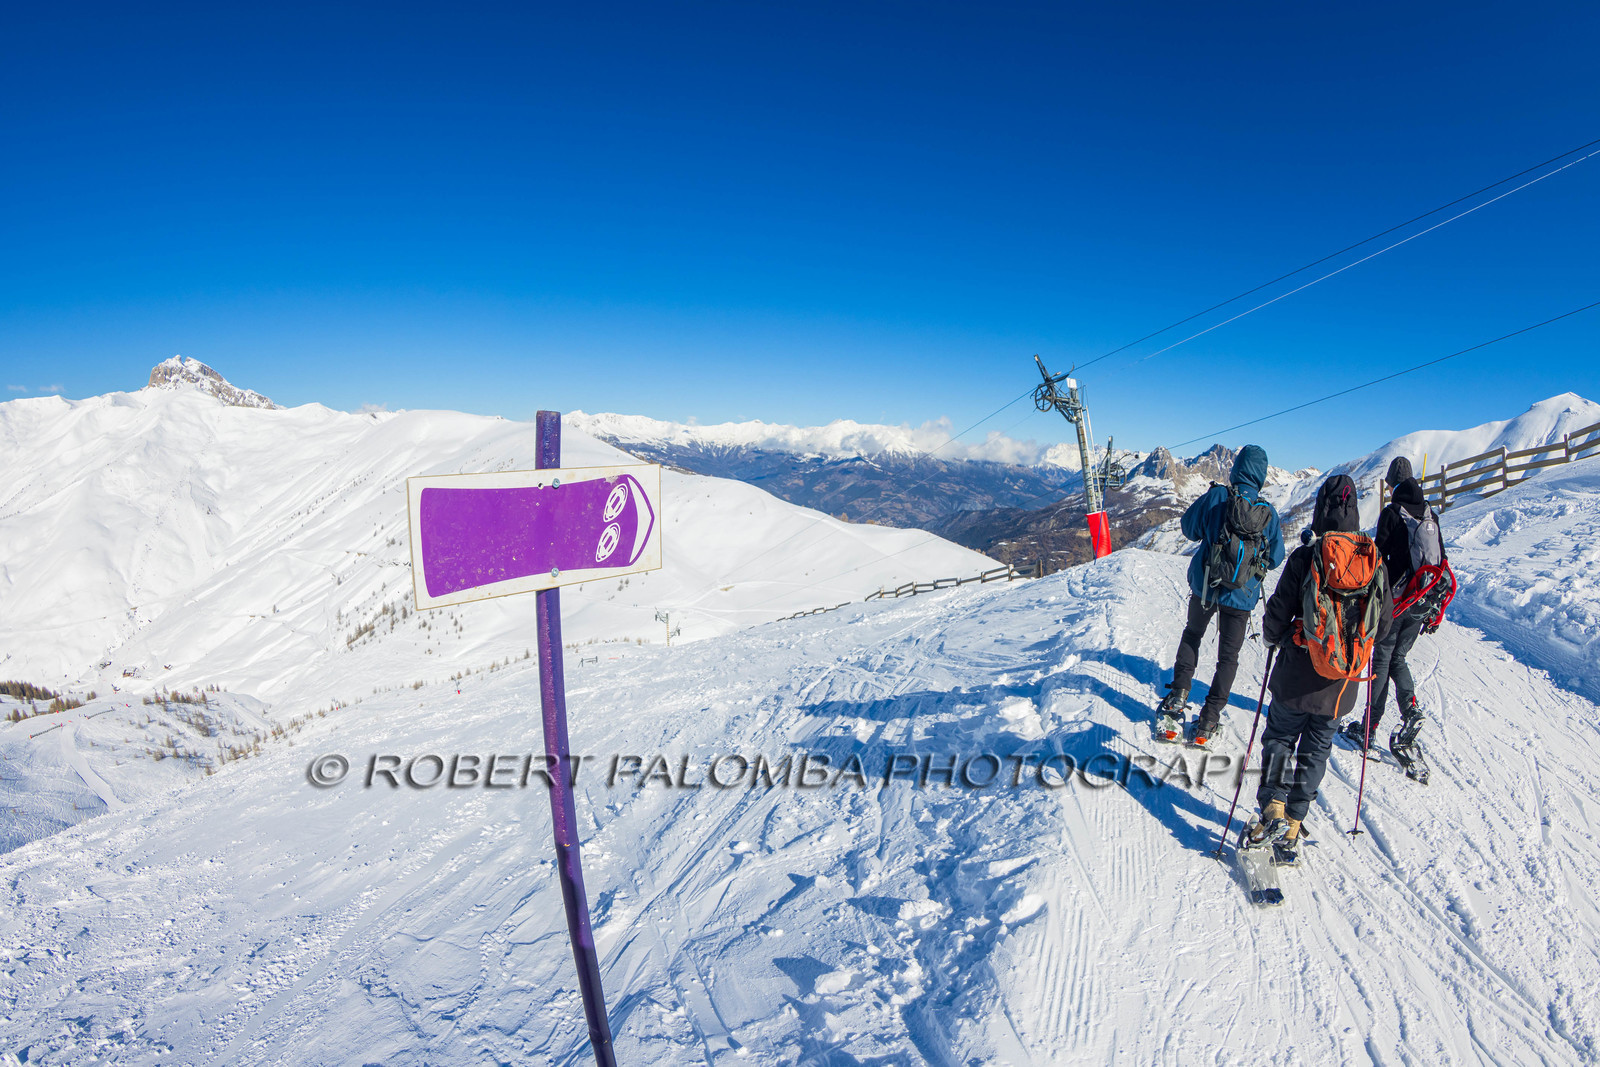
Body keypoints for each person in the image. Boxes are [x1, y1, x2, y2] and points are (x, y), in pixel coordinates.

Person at [1247, 474, 1393, 863]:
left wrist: (1272, 636)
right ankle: (1294, 823)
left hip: (1297, 675)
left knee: (1279, 738)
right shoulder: (1373, 559)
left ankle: (1274, 808)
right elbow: (1386, 623)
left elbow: (1279, 610)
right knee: (1316, 751)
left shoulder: (1307, 556)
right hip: (1342, 685)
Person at [1156, 444, 1286, 746]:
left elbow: (1189, 527)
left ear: (1237, 468)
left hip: (1206, 587)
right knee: (1228, 658)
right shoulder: (1268, 513)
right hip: (1242, 597)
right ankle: (1209, 719)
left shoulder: (1217, 497)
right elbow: (1276, 557)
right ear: (1262, 475)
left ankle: (1177, 697)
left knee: (1192, 635)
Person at [1339, 456, 1446, 769]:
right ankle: (1410, 708)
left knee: (1382, 659)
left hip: (1397, 601)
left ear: (1390, 483)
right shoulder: (1430, 513)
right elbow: (1442, 560)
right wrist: (1434, 605)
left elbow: (1377, 558)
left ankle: (1369, 729)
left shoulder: (1391, 513)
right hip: (1424, 598)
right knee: (1399, 658)